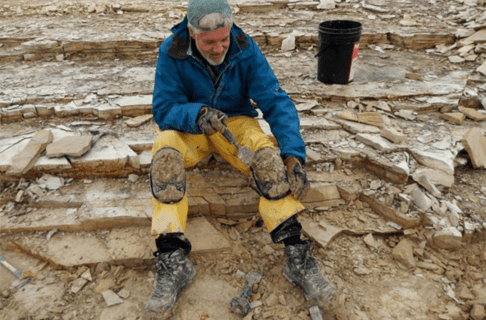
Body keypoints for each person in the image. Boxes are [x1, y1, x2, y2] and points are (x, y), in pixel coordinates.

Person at [145, 0, 338, 318]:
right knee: (165, 153)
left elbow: (276, 101)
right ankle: (172, 258)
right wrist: (198, 114)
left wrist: (292, 154)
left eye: (224, 38)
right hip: (189, 129)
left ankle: (297, 256)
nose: (220, 47)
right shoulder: (173, 50)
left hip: (233, 126)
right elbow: (164, 108)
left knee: (266, 158)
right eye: (210, 42)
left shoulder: (245, 49)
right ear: (192, 33)